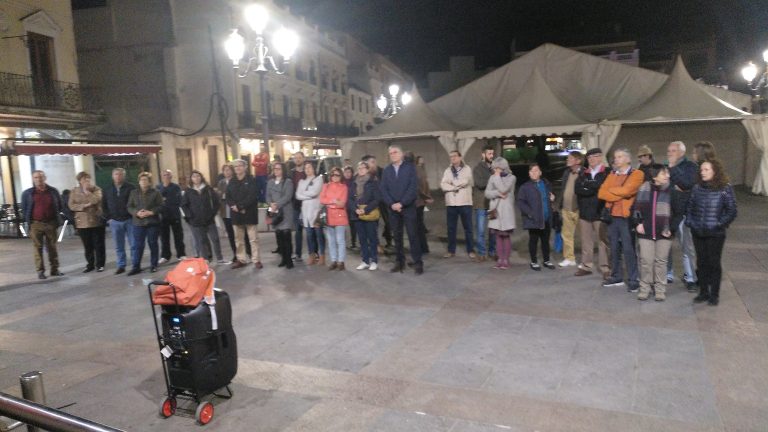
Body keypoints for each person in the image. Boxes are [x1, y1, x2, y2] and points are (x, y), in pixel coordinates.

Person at [686, 159, 737, 306]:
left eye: (706, 170)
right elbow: (690, 207)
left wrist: (718, 224)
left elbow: (732, 210)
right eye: (701, 170)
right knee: (701, 263)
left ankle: (714, 294)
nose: (703, 172)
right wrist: (691, 222)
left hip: (715, 233)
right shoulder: (696, 188)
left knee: (714, 263)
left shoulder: (724, 188)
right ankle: (703, 292)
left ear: (715, 171)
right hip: (698, 232)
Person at [598, 148, 645, 291]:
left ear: (628, 159)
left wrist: (612, 191)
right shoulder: (612, 174)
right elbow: (601, 193)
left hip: (626, 217)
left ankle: (633, 279)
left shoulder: (637, 174)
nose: (616, 159)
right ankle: (616, 276)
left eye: (619, 157)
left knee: (629, 249)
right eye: (615, 157)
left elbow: (628, 191)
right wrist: (619, 193)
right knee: (614, 248)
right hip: (612, 217)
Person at [632, 164, 677, 301]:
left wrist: (671, 228)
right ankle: (645, 288)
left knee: (661, 262)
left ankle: (660, 289)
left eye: (668, 173)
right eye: (664, 173)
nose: (667, 176)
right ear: (654, 176)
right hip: (645, 232)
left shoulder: (672, 190)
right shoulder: (643, 188)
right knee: (646, 261)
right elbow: (635, 209)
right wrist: (638, 223)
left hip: (664, 231)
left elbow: (678, 213)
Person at [379, 145, 423, 274]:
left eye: (395, 152)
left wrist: (402, 203)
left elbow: (413, 188)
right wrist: (392, 204)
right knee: (397, 237)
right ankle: (399, 262)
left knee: (413, 236)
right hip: (392, 209)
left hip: (408, 208)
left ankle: (418, 263)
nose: (393, 154)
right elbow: (383, 189)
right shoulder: (387, 170)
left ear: (402, 154)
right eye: (391, 153)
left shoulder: (410, 168)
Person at [666, 141, 699, 291]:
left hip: (683, 213)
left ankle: (690, 277)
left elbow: (686, 184)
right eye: (669, 150)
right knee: (666, 246)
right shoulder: (664, 167)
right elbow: (663, 186)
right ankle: (668, 274)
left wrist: (673, 170)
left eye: (673, 150)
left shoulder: (691, 167)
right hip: (667, 213)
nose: (670, 153)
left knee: (686, 247)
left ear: (681, 153)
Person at [574, 148, 611, 278]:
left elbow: (602, 187)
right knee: (586, 241)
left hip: (600, 211)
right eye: (589, 158)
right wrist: (593, 187)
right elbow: (578, 189)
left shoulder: (607, 172)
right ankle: (586, 265)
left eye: (595, 157)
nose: (592, 160)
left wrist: (588, 186)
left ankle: (605, 267)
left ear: (600, 157)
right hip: (585, 212)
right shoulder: (583, 173)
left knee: (603, 241)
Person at [21, 170, 64, 279]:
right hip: (35, 224)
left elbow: (59, 205)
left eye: (40, 177)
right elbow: (25, 208)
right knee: (37, 247)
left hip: (51, 223)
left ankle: (55, 269)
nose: (38, 179)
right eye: (36, 177)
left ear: (45, 178)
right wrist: (29, 222)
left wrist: (56, 220)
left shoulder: (53, 191)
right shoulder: (28, 193)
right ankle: (40, 271)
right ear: (33, 179)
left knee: (52, 247)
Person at [516, 164, 556, 271]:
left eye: (536, 171)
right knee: (533, 240)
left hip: (546, 217)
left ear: (540, 173)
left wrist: (552, 198)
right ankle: (534, 261)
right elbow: (520, 202)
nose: (534, 173)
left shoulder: (546, 184)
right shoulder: (525, 187)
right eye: (531, 171)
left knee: (545, 240)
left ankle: (546, 260)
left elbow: (550, 196)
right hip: (534, 219)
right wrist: (530, 213)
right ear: (529, 173)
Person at [182, 170, 226, 264]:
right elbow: (184, 205)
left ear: (201, 177)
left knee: (215, 238)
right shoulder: (188, 191)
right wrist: (190, 216)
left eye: (198, 176)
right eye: (194, 177)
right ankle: (205, 259)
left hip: (209, 219)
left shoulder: (208, 189)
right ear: (191, 179)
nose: (196, 178)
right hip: (196, 220)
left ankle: (220, 258)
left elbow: (216, 202)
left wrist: (212, 213)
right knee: (202, 241)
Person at [440, 150, 476, 260]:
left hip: (465, 202)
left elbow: (466, 181)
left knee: (468, 228)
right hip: (451, 203)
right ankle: (451, 250)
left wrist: (451, 184)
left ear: (460, 157)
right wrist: (454, 187)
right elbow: (443, 185)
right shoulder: (447, 170)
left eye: (455, 156)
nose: (453, 158)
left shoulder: (467, 169)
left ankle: (470, 250)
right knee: (451, 228)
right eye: (451, 157)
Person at [228, 159, 263, 269]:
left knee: (253, 239)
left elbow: (252, 196)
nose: (237, 168)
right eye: (235, 166)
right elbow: (228, 196)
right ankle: (241, 259)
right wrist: (233, 206)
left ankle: (256, 260)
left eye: (240, 166)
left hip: (249, 212)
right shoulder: (232, 181)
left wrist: (240, 206)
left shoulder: (251, 180)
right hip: (236, 214)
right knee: (238, 239)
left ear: (245, 167)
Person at [68, 172, 106, 273]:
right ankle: (90, 264)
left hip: (96, 220)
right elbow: (71, 205)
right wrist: (82, 206)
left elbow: (96, 200)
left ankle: (100, 264)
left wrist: (88, 192)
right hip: (82, 222)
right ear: (80, 181)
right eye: (84, 179)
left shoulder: (96, 189)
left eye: (88, 179)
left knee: (98, 244)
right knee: (87, 245)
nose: (87, 181)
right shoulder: (74, 191)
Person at [127, 171, 163, 275]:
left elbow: (161, 206)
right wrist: (136, 213)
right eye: (141, 180)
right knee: (138, 245)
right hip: (138, 223)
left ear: (149, 182)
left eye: (145, 180)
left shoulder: (155, 192)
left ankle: (153, 265)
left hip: (152, 223)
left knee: (153, 244)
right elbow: (129, 206)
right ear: (138, 182)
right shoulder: (133, 193)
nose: (143, 182)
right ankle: (136, 266)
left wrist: (152, 212)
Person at [485, 157, 516, 269]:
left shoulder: (512, 178)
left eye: (498, 168)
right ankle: (499, 259)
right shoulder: (492, 177)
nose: (496, 170)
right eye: (495, 168)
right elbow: (487, 193)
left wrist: (497, 178)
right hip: (496, 210)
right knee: (498, 236)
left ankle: (506, 259)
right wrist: (497, 193)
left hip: (507, 211)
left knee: (505, 236)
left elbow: (504, 189)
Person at [102, 168, 135, 274]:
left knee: (133, 244)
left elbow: (135, 203)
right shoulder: (107, 189)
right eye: (116, 174)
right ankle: (121, 265)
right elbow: (104, 205)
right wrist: (109, 218)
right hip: (115, 222)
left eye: (120, 174)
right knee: (119, 246)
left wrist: (134, 215)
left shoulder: (131, 188)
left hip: (129, 220)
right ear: (112, 176)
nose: (118, 176)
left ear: (124, 176)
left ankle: (135, 264)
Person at [349, 161, 381, 270]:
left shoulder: (373, 181)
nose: (361, 169)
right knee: (362, 238)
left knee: (372, 238)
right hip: (357, 214)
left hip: (369, 213)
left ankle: (374, 260)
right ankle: (365, 260)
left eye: (363, 168)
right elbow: (349, 199)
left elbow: (377, 199)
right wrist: (355, 209)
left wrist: (365, 209)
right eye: (359, 167)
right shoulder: (353, 182)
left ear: (367, 169)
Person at [217, 163, 250, 262]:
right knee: (231, 235)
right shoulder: (221, 182)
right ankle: (236, 254)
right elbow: (219, 195)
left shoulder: (237, 181)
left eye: (229, 170)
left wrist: (227, 197)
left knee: (242, 234)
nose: (227, 172)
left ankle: (248, 252)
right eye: (225, 170)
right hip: (225, 212)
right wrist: (222, 196)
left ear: (232, 171)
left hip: (236, 210)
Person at [557, 151, 583, 267]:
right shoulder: (566, 172)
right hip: (566, 208)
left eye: (570, 158)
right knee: (566, 235)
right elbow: (563, 189)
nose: (567, 160)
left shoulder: (584, 173)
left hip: (579, 209)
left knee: (584, 236)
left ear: (578, 161)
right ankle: (569, 258)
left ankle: (586, 260)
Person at [295, 161, 325, 265]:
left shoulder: (318, 179)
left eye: (309, 167)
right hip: (305, 212)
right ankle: (311, 255)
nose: (307, 169)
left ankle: (321, 256)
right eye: (306, 167)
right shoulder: (301, 182)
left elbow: (315, 192)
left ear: (314, 169)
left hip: (316, 211)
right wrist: (308, 196)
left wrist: (304, 194)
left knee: (318, 235)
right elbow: (298, 195)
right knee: (309, 235)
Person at [320, 167, 349, 270]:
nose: (334, 177)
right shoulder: (326, 186)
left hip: (340, 216)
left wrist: (331, 202)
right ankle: (334, 261)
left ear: (341, 176)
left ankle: (341, 262)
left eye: (337, 175)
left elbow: (342, 203)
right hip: (328, 216)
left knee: (340, 240)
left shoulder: (344, 187)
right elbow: (322, 200)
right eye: (333, 175)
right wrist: (334, 201)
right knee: (331, 240)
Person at [363, 155, 393, 249]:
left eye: (374, 161)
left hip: (383, 201)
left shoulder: (382, 171)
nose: (374, 164)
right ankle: (375, 243)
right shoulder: (365, 174)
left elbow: (388, 185)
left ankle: (389, 241)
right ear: (366, 163)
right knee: (373, 224)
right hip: (372, 202)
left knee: (388, 222)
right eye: (372, 162)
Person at [472, 144, 496, 261]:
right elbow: (480, 184)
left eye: (492, 153)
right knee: (481, 230)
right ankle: (481, 253)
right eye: (489, 153)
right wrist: (493, 178)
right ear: (483, 154)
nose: (491, 156)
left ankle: (492, 251)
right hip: (481, 204)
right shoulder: (477, 168)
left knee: (493, 230)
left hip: (492, 204)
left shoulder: (495, 167)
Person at [157, 170, 186, 263]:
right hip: (163, 216)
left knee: (178, 236)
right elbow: (157, 200)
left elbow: (177, 200)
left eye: (168, 175)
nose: (166, 177)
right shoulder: (158, 187)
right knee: (164, 237)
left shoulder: (176, 187)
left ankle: (181, 254)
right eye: (164, 175)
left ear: (171, 176)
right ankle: (165, 256)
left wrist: (165, 199)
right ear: (162, 176)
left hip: (174, 215)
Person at [289, 152, 307, 262]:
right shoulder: (290, 173)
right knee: (298, 231)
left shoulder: (308, 171)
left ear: (303, 159)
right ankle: (298, 253)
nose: (298, 160)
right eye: (296, 158)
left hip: (308, 204)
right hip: (295, 205)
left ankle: (314, 253)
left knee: (311, 230)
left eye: (300, 158)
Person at [415, 155, 433, 254]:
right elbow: (426, 185)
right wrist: (427, 197)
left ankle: (421, 248)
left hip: (417, 202)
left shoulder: (416, 170)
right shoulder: (421, 170)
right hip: (421, 201)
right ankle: (424, 247)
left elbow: (418, 188)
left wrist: (426, 197)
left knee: (417, 226)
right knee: (420, 224)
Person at [342, 165, 358, 249]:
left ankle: (353, 242)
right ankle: (345, 242)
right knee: (344, 226)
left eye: (349, 172)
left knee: (353, 225)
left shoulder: (354, 182)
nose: (348, 174)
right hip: (343, 207)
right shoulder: (341, 183)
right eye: (346, 172)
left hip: (352, 207)